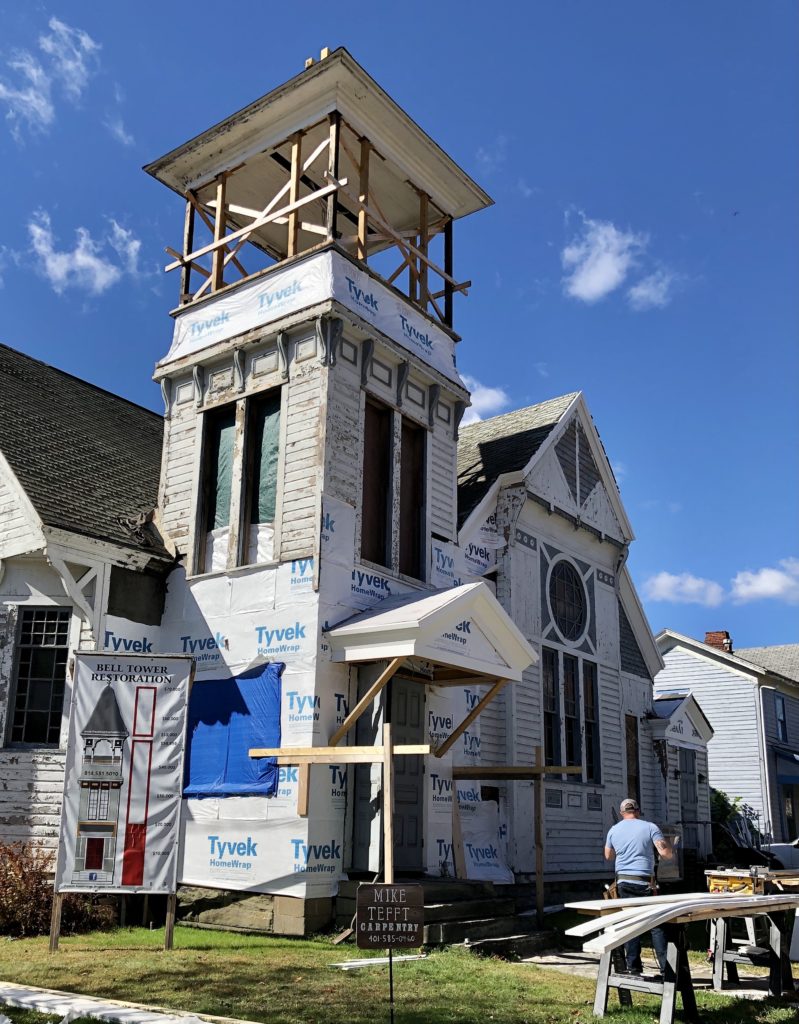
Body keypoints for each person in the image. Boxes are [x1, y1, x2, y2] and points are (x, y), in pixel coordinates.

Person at [604, 797, 673, 976]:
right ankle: (666, 969)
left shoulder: (614, 830)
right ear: (638, 811)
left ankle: (633, 967)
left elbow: (608, 856)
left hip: (623, 882)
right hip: (645, 882)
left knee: (631, 922)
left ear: (622, 813)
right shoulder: (650, 827)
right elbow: (665, 853)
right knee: (656, 924)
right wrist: (669, 848)